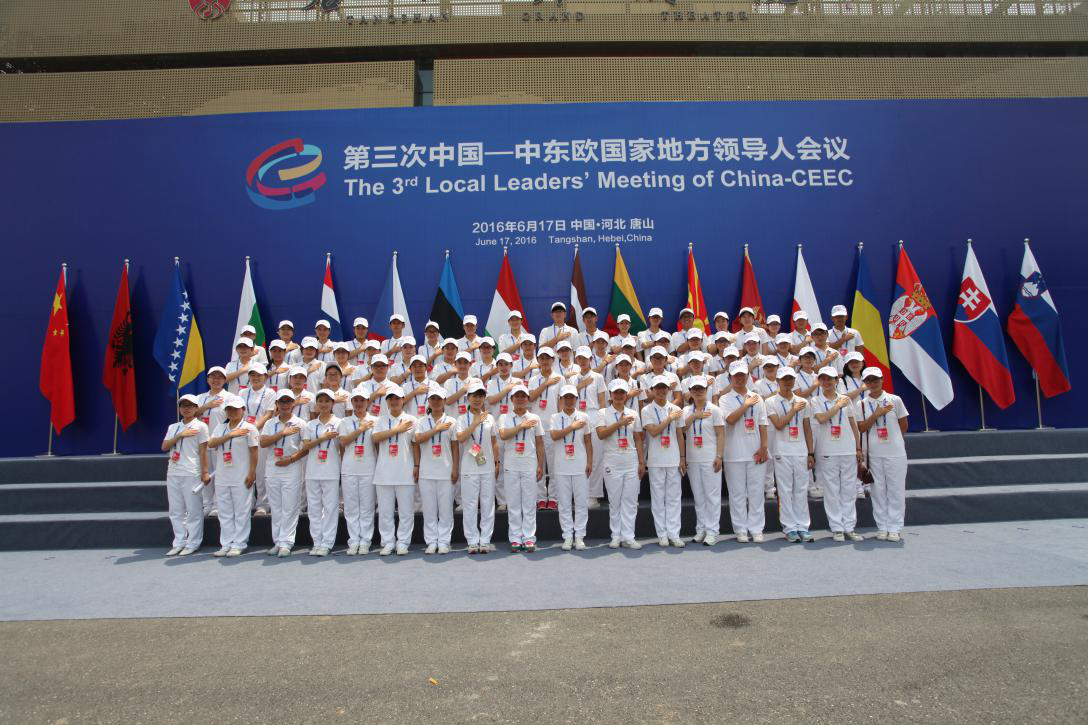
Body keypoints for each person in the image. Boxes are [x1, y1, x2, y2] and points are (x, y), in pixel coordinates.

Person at [855, 367, 909, 542]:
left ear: (882, 380)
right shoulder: (861, 404)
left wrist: (895, 441)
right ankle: (882, 526)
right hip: (873, 454)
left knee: (896, 490)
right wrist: (876, 414)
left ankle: (895, 527)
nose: (873, 383)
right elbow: (861, 428)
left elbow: (903, 425)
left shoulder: (895, 400)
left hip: (895, 453)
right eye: (869, 380)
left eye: (875, 379)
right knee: (877, 491)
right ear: (865, 383)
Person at [811, 366, 864, 542]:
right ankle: (837, 528)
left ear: (836, 381)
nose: (826, 382)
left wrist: (858, 447)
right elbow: (821, 419)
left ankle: (849, 527)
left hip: (847, 448)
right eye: (823, 379)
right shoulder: (816, 400)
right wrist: (837, 406)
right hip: (827, 450)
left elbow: (853, 424)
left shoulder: (845, 400)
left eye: (830, 379)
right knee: (832, 490)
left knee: (849, 489)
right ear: (819, 381)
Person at [720, 360, 769, 543]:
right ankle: (740, 529)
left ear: (748, 376)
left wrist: (764, 447)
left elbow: (763, 423)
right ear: (730, 378)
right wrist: (746, 405)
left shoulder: (757, 398)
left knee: (756, 492)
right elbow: (731, 420)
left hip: (755, 451)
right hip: (733, 453)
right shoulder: (725, 399)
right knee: (737, 494)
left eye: (742, 375)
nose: (740, 378)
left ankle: (756, 529)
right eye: (736, 376)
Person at [765, 369, 815, 543]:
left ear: (794, 381)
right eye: (784, 379)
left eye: (790, 379)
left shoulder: (803, 402)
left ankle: (803, 526)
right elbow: (779, 424)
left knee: (801, 489)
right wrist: (793, 410)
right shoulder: (770, 402)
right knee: (785, 490)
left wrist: (810, 452)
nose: (787, 382)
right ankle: (789, 528)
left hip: (800, 450)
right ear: (778, 381)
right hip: (782, 451)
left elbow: (807, 428)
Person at [596, 379, 645, 549]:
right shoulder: (603, 413)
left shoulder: (633, 413)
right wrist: (619, 423)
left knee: (630, 501)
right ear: (610, 395)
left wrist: (641, 462)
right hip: (612, 461)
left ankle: (628, 536)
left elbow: (638, 438)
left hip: (631, 461)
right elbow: (601, 434)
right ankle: (616, 536)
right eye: (616, 392)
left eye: (622, 392)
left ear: (626, 395)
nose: (619, 395)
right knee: (615, 501)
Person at [207, 395, 258, 557]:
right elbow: (211, 444)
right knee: (224, 511)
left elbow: (254, 451)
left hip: (241, 476)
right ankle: (226, 543)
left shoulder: (250, 428)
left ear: (243, 410)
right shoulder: (220, 428)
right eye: (229, 409)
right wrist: (230, 435)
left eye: (236, 409)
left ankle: (239, 543)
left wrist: (252, 473)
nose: (232, 412)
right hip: (223, 476)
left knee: (242, 511)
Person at [497, 385, 545, 553]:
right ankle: (516, 538)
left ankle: (529, 537)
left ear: (527, 399)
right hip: (511, 465)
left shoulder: (535, 417)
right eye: (517, 396)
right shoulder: (504, 417)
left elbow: (539, 443)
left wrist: (540, 465)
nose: (520, 399)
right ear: (511, 399)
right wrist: (521, 426)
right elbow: (503, 435)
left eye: (523, 396)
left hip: (529, 464)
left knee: (529, 503)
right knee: (514, 503)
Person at [371, 384, 418, 556]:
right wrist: (396, 430)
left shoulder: (412, 420)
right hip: (384, 472)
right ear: (387, 401)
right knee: (385, 512)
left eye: (397, 398)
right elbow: (375, 438)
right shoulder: (381, 420)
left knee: (406, 511)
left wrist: (417, 466)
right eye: (391, 398)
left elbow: (415, 445)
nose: (394, 401)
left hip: (405, 470)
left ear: (403, 400)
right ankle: (388, 542)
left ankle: (403, 542)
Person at [260, 390, 307, 557]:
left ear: (293, 404)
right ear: (277, 404)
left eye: (288, 402)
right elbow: (263, 442)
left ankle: (287, 542)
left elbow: (306, 447)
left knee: (290, 507)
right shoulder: (270, 423)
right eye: (282, 402)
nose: (285, 405)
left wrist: (291, 459)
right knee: (276, 507)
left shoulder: (300, 423)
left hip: (291, 467)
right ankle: (278, 541)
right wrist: (282, 433)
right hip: (273, 467)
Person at [161, 394, 210, 556]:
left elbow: (203, 451)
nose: (186, 409)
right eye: (183, 406)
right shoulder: (173, 427)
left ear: (196, 408)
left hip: (191, 472)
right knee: (176, 510)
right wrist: (179, 435)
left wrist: (204, 472)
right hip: (173, 471)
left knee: (193, 509)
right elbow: (164, 446)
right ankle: (179, 541)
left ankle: (193, 542)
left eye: (190, 406)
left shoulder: (201, 426)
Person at [641, 375, 686, 547]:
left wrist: (682, 458)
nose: (661, 390)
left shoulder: (676, 409)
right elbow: (653, 432)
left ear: (668, 389)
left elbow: (679, 435)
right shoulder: (646, 410)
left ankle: (674, 534)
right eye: (657, 387)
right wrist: (669, 418)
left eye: (664, 387)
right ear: (652, 390)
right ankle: (662, 534)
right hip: (655, 460)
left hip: (673, 459)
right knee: (658, 498)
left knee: (674, 498)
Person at [456, 381, 500, 554]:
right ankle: (472, 540)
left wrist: (497, 462)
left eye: (481, 396)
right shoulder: (461, 419)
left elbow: (494, 441)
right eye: (474, 396)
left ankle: (485, 540)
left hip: (487, 467)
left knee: (488, 504)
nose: (477, 399)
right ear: (468, 398)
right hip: (469, 469)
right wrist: (475, 423)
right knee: (470, 505)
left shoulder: (490, 418)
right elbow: (461, 438)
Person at [414, 385, 459, 554]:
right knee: (429, 510)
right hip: (426, 472)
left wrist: (455, 468)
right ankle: (432, 541)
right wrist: (436, 429)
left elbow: (454, 447)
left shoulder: (452, 421)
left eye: (439, 399)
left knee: (446, 509)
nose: (436, 401)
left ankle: (444, 541)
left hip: (446, 471)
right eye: (433, 398)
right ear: (428, 401)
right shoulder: (421, 421)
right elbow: (418, 440)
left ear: (444, 401)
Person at [297, 390, 342, 556]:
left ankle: (327, 542)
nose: (323, 404)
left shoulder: (339, 423)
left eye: (327, 401)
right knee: (314, 508)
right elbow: (306, 446)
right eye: (320, 401)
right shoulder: (310, 425)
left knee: (330, 508)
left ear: (333, 403)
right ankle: (317, 541)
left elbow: (342, 446)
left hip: (331, 470)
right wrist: (323, 438)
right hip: (312, 470)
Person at [549, 385, 593, 551]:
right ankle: (567, 536)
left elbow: (588, 441)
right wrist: (572, 427)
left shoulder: (584, 416)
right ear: (561, 399)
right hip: (561, 465)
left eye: (571, 397)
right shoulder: (555, 417)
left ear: (576, 399)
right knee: (564, 504)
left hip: (580, 464)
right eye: (565, 397)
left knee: (581, 502)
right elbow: (554, 436)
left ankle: (580, 536)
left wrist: (590, 462)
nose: (569, 400)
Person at [682, 376, 724, 545]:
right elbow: (682, 429)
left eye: (701, 389)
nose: (698, 392)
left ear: (706, 390)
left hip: (710, 457)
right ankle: (701, 529)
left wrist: (719, 456)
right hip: (693, 459)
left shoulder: (715, 410)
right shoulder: (686, 411)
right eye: (695, 389)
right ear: (690, 392)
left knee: (712, 496)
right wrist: (694, 416)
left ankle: (712, 531)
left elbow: (720, 434)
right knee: (698, 496)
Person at [338, 386, 377, 555]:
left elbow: (378, 445)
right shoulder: (345, 422)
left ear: (368, 402)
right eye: (356, 400)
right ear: (351, 402)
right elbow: (343, 442)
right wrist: (361, 428)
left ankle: (365, 541)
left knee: (367, 507)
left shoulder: (375, 420)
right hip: (349, 468)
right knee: (351, 507)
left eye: (362, 400)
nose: (359, 403)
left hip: (369, 468)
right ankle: (354, 541)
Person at [571, 346, 606, 509]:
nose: (583, 361)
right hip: (577, 416)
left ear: (591, 359)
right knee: (579, 456)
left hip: (593, 415)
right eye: (580, 358)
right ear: (576, 360)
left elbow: (602, 401)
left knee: (596, 456)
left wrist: (602, 419)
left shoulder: (598, 377)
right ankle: (580, 493)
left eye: (585, 358)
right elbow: (568, 398)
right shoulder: (573, 379)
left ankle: (593, 494)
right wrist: (580, 385)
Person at [528, 348, 562, 510]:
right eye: (541, 358)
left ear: (553, 360)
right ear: (538, 360)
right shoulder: (534, 379)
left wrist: (561, 423)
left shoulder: (560, 378)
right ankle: (541, 497)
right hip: (537, 427)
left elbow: (561, 402)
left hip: (553, 427)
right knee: (539, 464)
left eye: (547, 358)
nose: (544, 361)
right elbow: (531, 397)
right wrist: (546, 383)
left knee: (554, 465)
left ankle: (553, 497)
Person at [196, 366, 229, 516]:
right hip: (202, 443)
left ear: (225, 380)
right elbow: (190, 414)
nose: (216, 380)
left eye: (219, 377)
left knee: (219, 474)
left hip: (220, 442)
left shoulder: (230, 397)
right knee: (205, 473)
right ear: (208, 379)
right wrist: (206, 406)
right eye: (213, 377)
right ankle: (207, 504)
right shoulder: (199, 398)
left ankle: (217, 505)